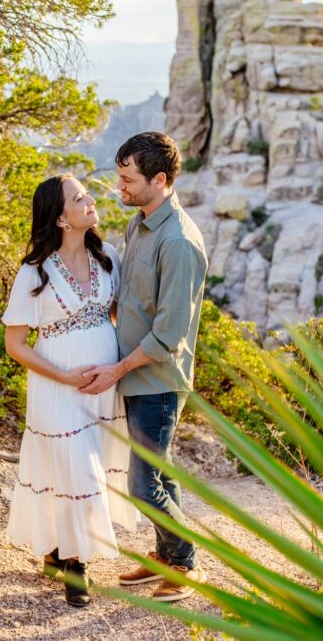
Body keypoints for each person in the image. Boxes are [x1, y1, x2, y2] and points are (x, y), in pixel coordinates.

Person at [80, 132, 209, 603]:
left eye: (128, 178)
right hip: (134, 374)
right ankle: (166, 557)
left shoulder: (178, 243)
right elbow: (130, 300)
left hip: (155, 380)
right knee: (162, 472)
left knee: (141, 483)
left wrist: (115, 370)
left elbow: (167, 335)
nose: (120, 186)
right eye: (119, 175)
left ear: (160, 179)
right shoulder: (140, 223)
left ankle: (186, 560)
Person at [2, 174, 138, 608]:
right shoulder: (32, 273)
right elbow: (15, 345)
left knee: (84, 468)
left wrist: (117, 370)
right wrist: (63, 376)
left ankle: (58, 550)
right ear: (60, 218)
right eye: (80, 197)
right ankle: (77, 567)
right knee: (75, 469)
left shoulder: (109, 257)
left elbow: (119, 317)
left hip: (102, 386)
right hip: (56, 387)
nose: (91, 199)